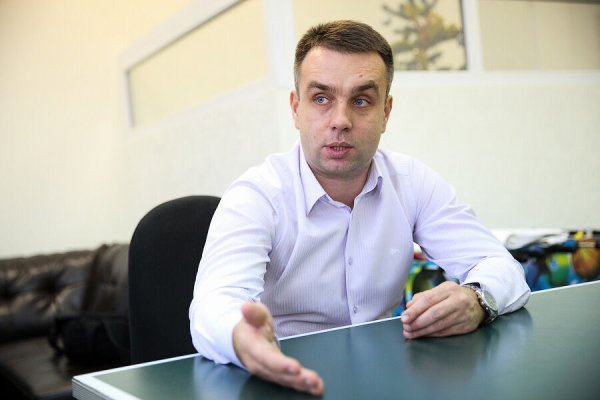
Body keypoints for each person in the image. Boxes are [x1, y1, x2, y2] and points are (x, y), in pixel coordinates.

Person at [189, 20, 530, 396]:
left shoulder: (412, 182)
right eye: (321, 99)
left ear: (386, 112)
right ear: (296, 108)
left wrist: (478, 298)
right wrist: (242, 338)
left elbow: (501, 266)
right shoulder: (257, 195)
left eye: (361, 100)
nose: (340, 121)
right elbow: (214, 303)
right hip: (280, 382)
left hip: (383, 381)